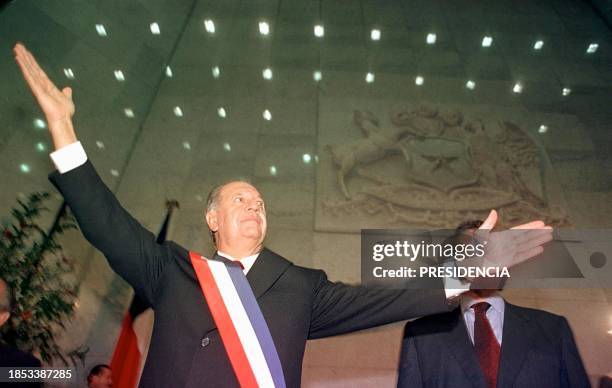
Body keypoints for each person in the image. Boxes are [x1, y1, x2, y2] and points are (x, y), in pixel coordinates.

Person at [13, 43, 553, 387]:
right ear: (212, 219)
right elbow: (105, 222)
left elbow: (383, 298)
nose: (254, 206)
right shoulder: (172, 273)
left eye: (261, 203)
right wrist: (64, 132)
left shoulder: (300, 287)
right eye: (240, 200)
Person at [397, 222, 590, 388]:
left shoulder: (553, 329)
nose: (482, 261)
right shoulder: (420, 334)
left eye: (490, 251)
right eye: (469, 252)